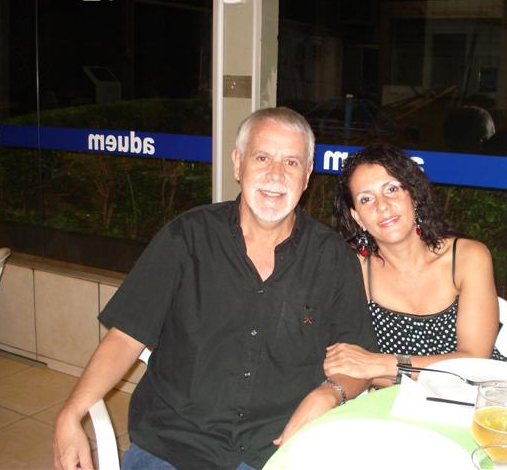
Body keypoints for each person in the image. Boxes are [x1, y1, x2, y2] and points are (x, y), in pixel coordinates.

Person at [54, 107, 375, 470]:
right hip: (174, 444)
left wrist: (329, 394)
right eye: (262, 157)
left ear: (307, 176)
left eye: (291, 162)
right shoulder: (187, 238)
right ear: (238, 164)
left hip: (277, 450)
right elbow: (127, 335)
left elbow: (357, 361)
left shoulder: (332, 258)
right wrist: (71, 412)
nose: (276, 174)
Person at [324, 143, 507, 388]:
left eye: (391, 189)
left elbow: (474, 362)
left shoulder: (468, 258)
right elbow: (348, 365)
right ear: (358, 217)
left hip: (482, 395)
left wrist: (384, 364)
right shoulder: (355, 270)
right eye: (366, 199)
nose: (382, 205)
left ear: (414, 196)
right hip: (401, 400)